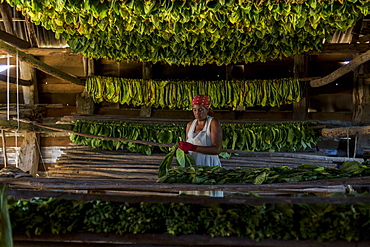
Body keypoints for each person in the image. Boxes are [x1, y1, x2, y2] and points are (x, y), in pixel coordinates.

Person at [178, 95, 223, 197]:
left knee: (208, 198)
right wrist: (180, 150)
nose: (197, 113)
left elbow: (217, 149)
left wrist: (193, 148)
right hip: (192, 167)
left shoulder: (213, 123)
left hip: (208, 165)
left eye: (200, 110)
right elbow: (187, 147)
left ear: (207, 109)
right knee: (190, 197)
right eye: (194, 110)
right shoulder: (190, 125)